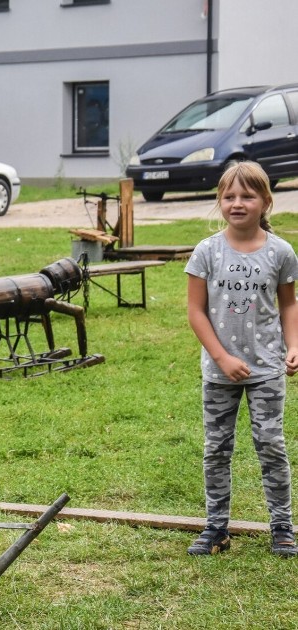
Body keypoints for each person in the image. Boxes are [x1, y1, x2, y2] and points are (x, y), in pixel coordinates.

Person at [185, 160, 298, 557]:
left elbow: (288, 304)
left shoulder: (281, 253)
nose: (237, 203)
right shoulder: (206, 252)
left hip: (267, 368)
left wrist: (293, 343)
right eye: (229, 196)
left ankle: (283, 527)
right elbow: (196, 312)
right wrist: (222, 358)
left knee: (271, 444)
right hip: (219, 372)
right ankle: (216, 528)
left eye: (247, 196)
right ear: (220, 200)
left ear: (265, 201)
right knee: (217, 448)